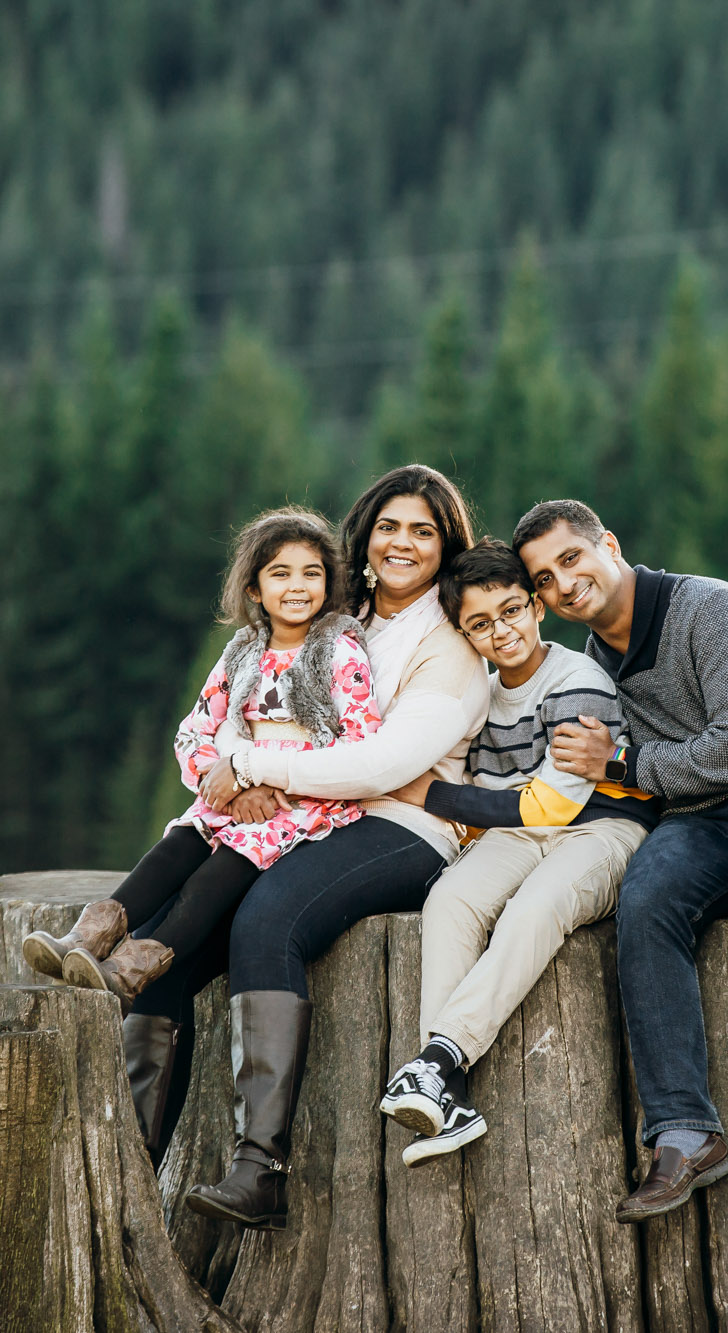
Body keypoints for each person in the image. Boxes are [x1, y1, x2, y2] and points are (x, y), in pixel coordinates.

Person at [514, 498, 728, 1222]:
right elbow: (620, 783)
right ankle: (684, 1132)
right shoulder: (594, 665)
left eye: (571, 558)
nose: (563, 582)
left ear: (608, 544)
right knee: (643, 897)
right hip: (702, 821)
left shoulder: (710, 607)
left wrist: (622, 759)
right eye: (544, 579)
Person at [175, 465, 490, 1230]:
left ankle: (260, 1168)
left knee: (269, 920)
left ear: (448, 544)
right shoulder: (331, 613)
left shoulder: (451, 647)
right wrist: (229, 768)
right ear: (364, 533)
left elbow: (383, 765)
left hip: (403, 828)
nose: (402, 543)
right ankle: (132, 1157)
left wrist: (253, 764)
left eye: (423, 529)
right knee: (170, 943)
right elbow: (242, 695)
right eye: (388, 525)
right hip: (299, 812)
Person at [21, 505, 377, 1049]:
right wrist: (224, 786)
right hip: (235, 795)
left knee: (216, 876)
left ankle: (134, 967)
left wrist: (276, 785)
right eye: (280, 573)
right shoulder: (242, 653)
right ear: (255, 589)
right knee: (177, 846)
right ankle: (89, 934)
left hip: (302, 802)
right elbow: (194, 733)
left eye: (311, 573)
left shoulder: (339, 649)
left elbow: (357, 740)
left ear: (329, 584)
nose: (298, 586)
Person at [377, 539, 660, 1165]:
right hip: (516, 832)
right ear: (465, 634)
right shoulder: (478, 694)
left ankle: (438, 1059)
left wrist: (437, 796)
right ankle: (445, 1097)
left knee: (537, 907)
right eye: (480, 624)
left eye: (510, 612)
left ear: (537, 607)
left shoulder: (578, 681)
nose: (500, 632)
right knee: (451, 900)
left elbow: (553, 806)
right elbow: (495, 800)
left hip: (601, 827)